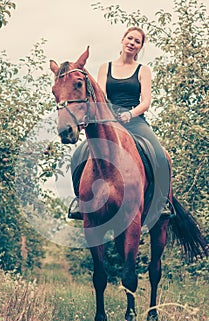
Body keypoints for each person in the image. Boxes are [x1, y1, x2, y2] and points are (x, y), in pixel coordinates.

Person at [69, 27, 171, 224]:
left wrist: (130, 114)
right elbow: (101, 98)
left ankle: (163, 201)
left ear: (140, 47)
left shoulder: (143, 70)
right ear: (122, 40)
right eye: (130, 38)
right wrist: (106, 116)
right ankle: (78, 202)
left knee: (159, 154)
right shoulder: (105, 68)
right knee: (79, 155)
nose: (132, 43)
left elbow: (146, 101)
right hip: (108, 120)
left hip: (135, 120)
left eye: (137, 41)